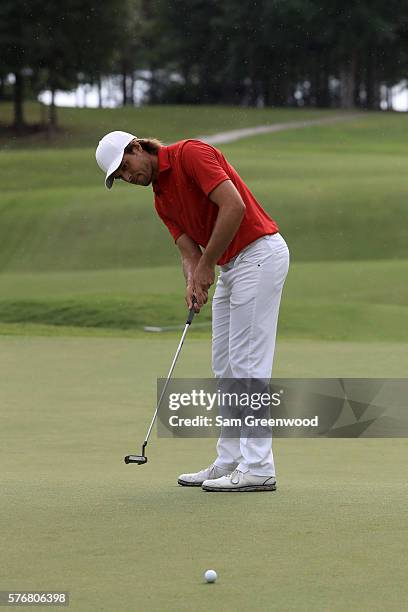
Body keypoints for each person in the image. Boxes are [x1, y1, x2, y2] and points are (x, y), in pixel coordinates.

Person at [95, 130, 290, 492]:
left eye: (126, 167)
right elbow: (190, 253)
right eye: (120, 176)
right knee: (225, 366)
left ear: (137, 148)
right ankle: (231, 460)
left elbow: (235, 207)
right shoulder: (161, 199)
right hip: (233, 266)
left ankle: (259, 466)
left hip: (259, 255)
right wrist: (193, 279)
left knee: (248, 365)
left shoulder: (190, 155)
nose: (128, 177)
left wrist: (207, 265)